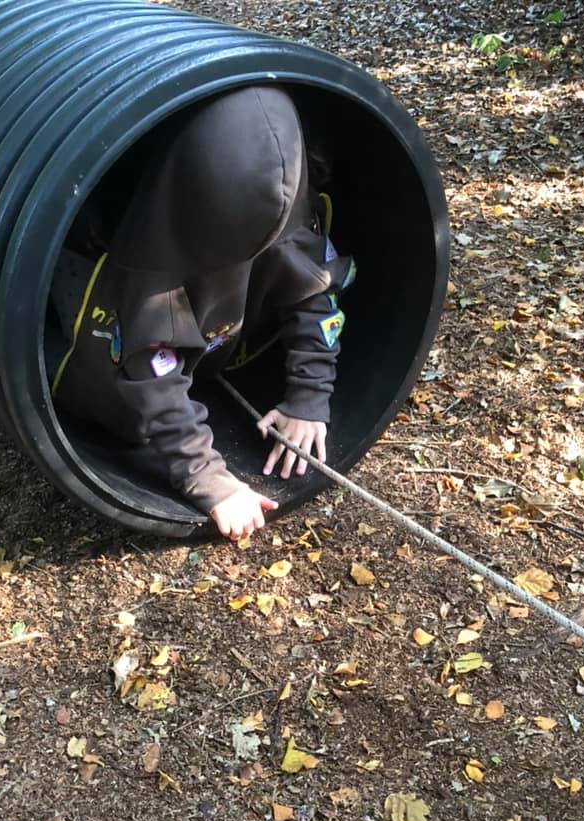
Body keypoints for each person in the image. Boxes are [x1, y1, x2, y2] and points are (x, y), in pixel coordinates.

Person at [49, 86, 355, 540]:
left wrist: (309, 395)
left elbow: (312, 287)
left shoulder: (284, 200)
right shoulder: (143, 255)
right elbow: (150, 367)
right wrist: (207, 477)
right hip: (106, 361)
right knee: (120, 397)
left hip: (220, 332)